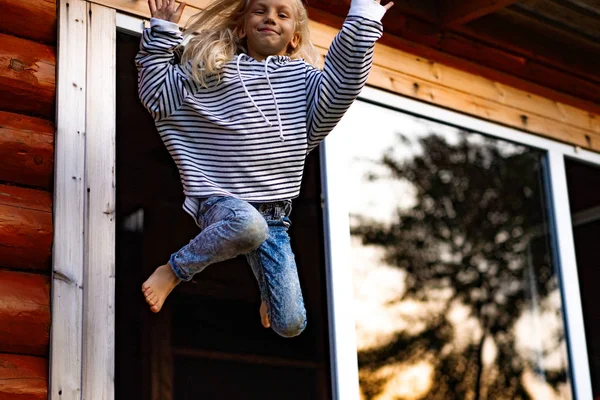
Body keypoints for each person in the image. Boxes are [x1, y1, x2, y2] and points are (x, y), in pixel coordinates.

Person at [138, 0, 393, 338]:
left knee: (290, 325)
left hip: (276, 216)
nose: (270, 17)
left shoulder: (304, 84)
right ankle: (173, 270)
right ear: (242, 27)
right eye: (260, 10)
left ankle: (268, 289)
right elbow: (157, 96)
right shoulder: (213, 68)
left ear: (294, 39)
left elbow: (344, 82)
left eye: (282, 14)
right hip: (221, 201)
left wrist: (362, 16)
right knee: (247, 225)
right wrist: (163, 31)